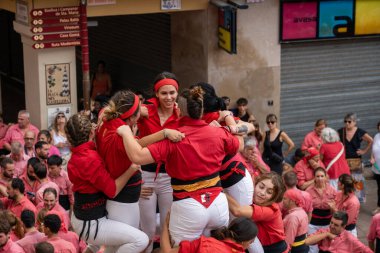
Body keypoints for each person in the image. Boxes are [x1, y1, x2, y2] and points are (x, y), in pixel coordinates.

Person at [117, 87, 240, 247]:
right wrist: (229, 122)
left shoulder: (175, 138)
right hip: (217, 203)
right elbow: (237, 145)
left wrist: (126, 133)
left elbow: (137, 156)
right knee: (216, 249)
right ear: (201, 110)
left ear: (179, 110)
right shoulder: (218, 132)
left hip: (189, 206)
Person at [96, 88, 183, 253]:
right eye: (139, 108)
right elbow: (138, 154)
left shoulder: (106, 117)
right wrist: (165, 139)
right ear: (132, 116)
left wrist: (161, 131)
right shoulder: (122, 132)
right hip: (124, 199)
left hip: (121, 195)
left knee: (118, 245)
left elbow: (137, 142)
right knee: (134, 243)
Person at [66, 113, 149, 252]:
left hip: (85, 217)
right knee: (141, 240)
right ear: (92, 131)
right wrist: (132, 167)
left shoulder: (79, 154)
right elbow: (112, 190)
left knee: (103, 247)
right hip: (90, 223)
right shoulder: (89, 158)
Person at [136, 72, 182, 252]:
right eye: (164, 93)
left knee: (167, 228)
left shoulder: (181, 113)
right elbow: (117, 114)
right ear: (156, 94)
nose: (169, 97)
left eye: (172, 92)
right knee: (146, 230)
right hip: (145, 176)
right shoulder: (146, 109)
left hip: (170, 177)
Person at [226, 172, 288, 253]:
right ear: (255, 184)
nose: (262, 193)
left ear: (274, 196)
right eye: (261, 187)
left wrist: (219, 191)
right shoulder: (253, 199)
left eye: (269, 192)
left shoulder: (271, 210)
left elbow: (237, 211)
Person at [161, 216, 258, 253]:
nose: (249, 245)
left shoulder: (205, 242)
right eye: (251, 241)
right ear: (243, 240)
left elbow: (168, 252)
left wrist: (165, 226)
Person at [305, 211, 372, 253]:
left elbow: (366, 250)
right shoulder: (324, 232)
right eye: (331, 222)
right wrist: (327, 234)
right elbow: (306, 242)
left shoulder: (350, 239)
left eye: (336, 225)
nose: (332, 226)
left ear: (344, 226)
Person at [305, 168, 337, 253]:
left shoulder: (332, 190)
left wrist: (333, 208)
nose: (320, 178)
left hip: (328, 224)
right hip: (313, 224)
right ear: (314, 177)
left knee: (327, 248)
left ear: (326, 177)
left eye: (322, 176)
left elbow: (336, 212)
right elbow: (306, 209)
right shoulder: (308, 191)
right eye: (317, 176)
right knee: (313, 248)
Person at [282, 189, 309, 253]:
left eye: (285, 199)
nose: (283, 201)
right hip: (302, 246)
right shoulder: (302, 211)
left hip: (295, 249)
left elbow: (289, 240)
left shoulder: (293, 217)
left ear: (292, 201)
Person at [371, 121, 380, 215]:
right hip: (377, 168)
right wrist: (372, 158)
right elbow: (373, 149)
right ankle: (379, 207)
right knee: (379, 188)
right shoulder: (376, 136)